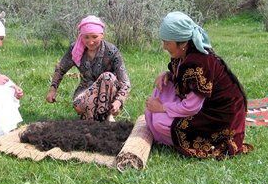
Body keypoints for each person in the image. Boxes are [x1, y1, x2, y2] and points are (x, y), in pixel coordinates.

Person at [145, 11, 253, 159]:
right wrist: (168, 75)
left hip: (218, 117)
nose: (164, 46)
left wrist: (162, 107)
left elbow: (192, 107)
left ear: (183, 43)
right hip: (202, 105)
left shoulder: (197, 64)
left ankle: (171, 136)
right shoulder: (184, 54)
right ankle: (163, 128)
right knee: (160, 92)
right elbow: (182, 79)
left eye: (167, 42)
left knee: (159, 123)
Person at [46, 15, 131, 122]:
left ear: (102, 35)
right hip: (86, 90)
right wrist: (53, 90)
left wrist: (118, 101)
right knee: (78, 104)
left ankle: (108, 116)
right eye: (86, 37)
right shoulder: (75, 49)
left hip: (109, 93)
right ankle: (91, 119)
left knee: (107, 76)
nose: (90, 42)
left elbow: (126, 83)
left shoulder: (112, 51)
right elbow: (61, 69)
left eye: (94, 37)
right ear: (81, 36)